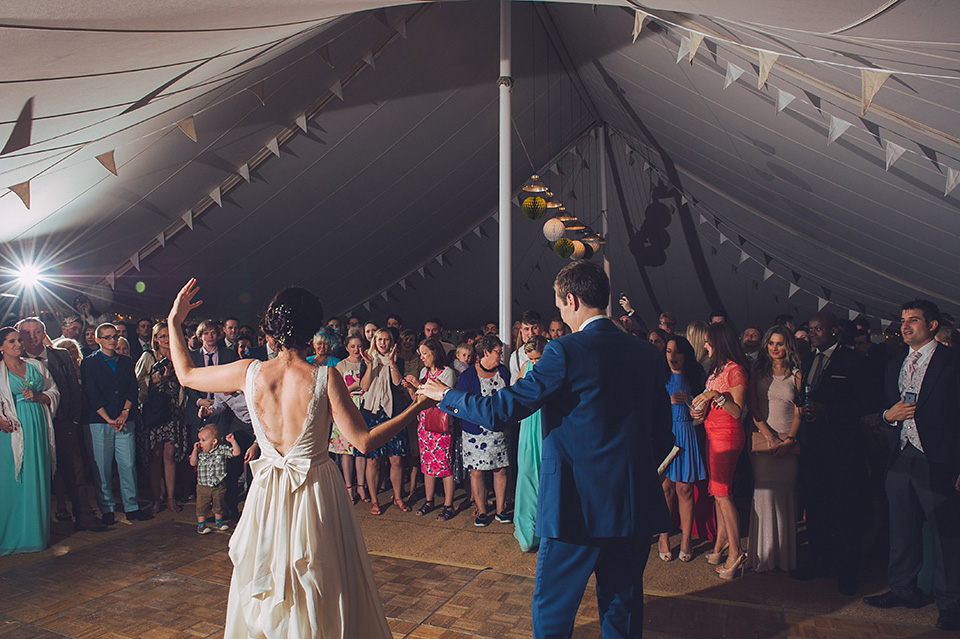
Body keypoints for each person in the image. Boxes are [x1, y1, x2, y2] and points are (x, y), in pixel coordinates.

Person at [420, 260, 673, 639]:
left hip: (576, 505)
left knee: (553, 609)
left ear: (571, 299)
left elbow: (502, 410)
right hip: (632, 503)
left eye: (559, 304)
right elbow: (663, 435)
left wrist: (447, 396)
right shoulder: (647, 353)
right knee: (623, 608)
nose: (560, 312)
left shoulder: (564, 351)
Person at [166, 279, 430, 638]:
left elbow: (186, 374)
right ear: (312, 330)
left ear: (271, 327)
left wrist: (174, 320)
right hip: (315, 492)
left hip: (267, 494)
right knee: (321, 584)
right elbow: (364, 442)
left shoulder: (250, 372)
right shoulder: (325, 377)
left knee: (274, 586)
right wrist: (416, 408)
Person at [863, 300, 960, 632]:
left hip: (939, 459)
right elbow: (882, 411)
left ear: (932, 325)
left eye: (913, 320)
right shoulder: (894, 365)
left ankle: (951, 604)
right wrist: (888, 417)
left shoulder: (952, 361)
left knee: (945, 534)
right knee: (901, 528)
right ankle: (904, 588)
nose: (905, 326)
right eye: (903, 320)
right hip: (900, 455)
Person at [794, 312, 869, 595]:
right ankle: (819, 561)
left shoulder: (853, 361)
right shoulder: (808, 360)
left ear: (834, 331)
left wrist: (830, 411)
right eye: (810, 330)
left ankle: (848, 572)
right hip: (814, 447)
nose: (813, 334)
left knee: (844, 511)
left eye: (818, 329)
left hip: (843, 449)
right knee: (816, 508)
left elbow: (864, 402)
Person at [16, 318, 102, 532]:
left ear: (44, 333)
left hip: (63, 421)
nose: (32, 337)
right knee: (33, 470)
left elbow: (73, 389)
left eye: (37, 332)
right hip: (30, 423)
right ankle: (34, 521)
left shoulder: (60, 355)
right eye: (26, 333)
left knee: (74, 468)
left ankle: (83, 514)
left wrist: (73, 418)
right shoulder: (13, 359)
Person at [691, 322, 749, 579]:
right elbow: (712, 401)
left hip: (727, 436)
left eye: (707, 341)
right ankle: (721, 543)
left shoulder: (736, 371)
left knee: (723, 493)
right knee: (717, 491)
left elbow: (736, 411)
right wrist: (699, 412)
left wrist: (715, 394)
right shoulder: (716, 369)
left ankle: (736, 553)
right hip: (712, 433)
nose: (705, 345)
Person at [81, 323, 153, 525]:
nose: (112, 340)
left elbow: (132, 388)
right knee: (102, 467)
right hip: (99, 421)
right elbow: (92, 392)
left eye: (114, 336)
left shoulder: (126, 361)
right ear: (98, 340)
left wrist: (124, 413)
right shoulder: (89, 363)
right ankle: (107, 509)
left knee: (128, 464)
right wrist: (108, 418)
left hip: (124, 419)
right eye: (107, 337)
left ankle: (132, 506)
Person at [0, 326, 60, 555]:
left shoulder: (36, 366)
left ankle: (35, 536)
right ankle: (11, 535)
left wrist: (38, 397)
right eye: (12, 341)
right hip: (12, 433)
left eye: (19, 340)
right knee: (13, 482)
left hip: (38, 427)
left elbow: (54, 391)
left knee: (37, 477)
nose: (18, 344)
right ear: (1, 346)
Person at [746, 326, 801, 573]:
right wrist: (769, 437)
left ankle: (785, 557)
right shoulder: (757, 372)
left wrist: (789, 440)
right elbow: (754, 408)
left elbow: (800, 411)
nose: (775, 348)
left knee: (786, 497)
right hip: (763, 440)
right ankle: (762, 557)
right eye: (771, 343)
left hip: (790, 442)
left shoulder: (797, 375)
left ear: (788, 346)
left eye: (779, 343)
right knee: (764, 496)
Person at [657, 335, 706, 563]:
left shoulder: (695, 377)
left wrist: (698, 412)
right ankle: (664, 537)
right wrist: (669, 401)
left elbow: (700, 405)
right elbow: (646, 403)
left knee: (685, 490)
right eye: (668, 351)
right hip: (666, 433)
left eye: (676, 351)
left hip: (686, 433)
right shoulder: (659, 375)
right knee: (666, 489)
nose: (672, 356)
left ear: (685, 355)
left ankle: (686, 539)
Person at [454, 334, 511, 527]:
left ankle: (501, 509)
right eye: (497, 351)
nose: (500, 355)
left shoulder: (503, 371)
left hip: (498, 429)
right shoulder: (468, 375)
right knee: (477, 472)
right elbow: (463, 403)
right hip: (475, 431)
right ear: (485, 352)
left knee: (500, 469)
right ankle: (482, 510)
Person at [135, 322, 187, 514]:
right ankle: (157, 499)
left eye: (168, 335)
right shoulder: (148, 357)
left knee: (170, 454)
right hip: (155, 412)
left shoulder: (179, 355)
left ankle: (172, 498)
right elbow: (138, 383)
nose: (166, 339)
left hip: (173, 411)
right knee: (155, 455)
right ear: (155, 338)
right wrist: (155, 380)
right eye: (162, 336)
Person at [404, 338, 457, 521]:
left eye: (425, 353)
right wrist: (413, 388)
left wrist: (419, 385)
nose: (422, 357)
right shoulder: (424, 371)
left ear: (435, 352)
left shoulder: (447, 373)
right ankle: (429, 500)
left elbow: (441, 397)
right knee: (427, 464)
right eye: (421, 354)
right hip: (424, 423)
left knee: (445, 465)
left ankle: (448, 504)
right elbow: (419, 398)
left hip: (441, 425)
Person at [360, 327, 410, 514]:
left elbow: (397, 383)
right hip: (372, 413)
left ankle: (398, 497)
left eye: (386, 339)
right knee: (373, 460)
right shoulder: (368, 359)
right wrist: (371, 366)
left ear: (391, 342)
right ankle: (374, 500)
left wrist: (391, 363)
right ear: (375, 341)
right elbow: (365, 386)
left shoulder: (398, 360)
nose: (383, 343)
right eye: (379, 339)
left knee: (396, 459)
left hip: (392, 413)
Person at [514, 335, 548, 552]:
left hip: (547, 423)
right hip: (529, 423)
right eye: (531, 358)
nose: (535, 362)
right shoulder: (526, 366)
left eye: (538, 358)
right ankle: (527, 533)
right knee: (527, 473)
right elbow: (518, 390)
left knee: (546, 475)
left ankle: (546, 531)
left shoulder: (554, 367)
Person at [190, 424, 241, 533]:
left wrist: (232, 441)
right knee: (202, 506)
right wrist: (194, 450)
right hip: (203, 486)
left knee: (219, 505)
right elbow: (192, 462)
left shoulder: (221, 450)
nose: (200, 443)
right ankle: (201, 525)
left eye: (203, 440)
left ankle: (219, 522)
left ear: (214, 441)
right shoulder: (200, 452)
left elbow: (236, 453)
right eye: (199, 440)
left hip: (218, 485)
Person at [335, 335, 368, 503]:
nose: (356, 349)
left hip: (364, 406)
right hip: (347, 407)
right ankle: (349, 487)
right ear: (347, 348)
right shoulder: (341, 365)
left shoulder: (366, 363)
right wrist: (354, 386)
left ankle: (361, 486)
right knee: (346, 451)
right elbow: (338, 390)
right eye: (353, 346)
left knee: (361, 448)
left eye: (360, 346)